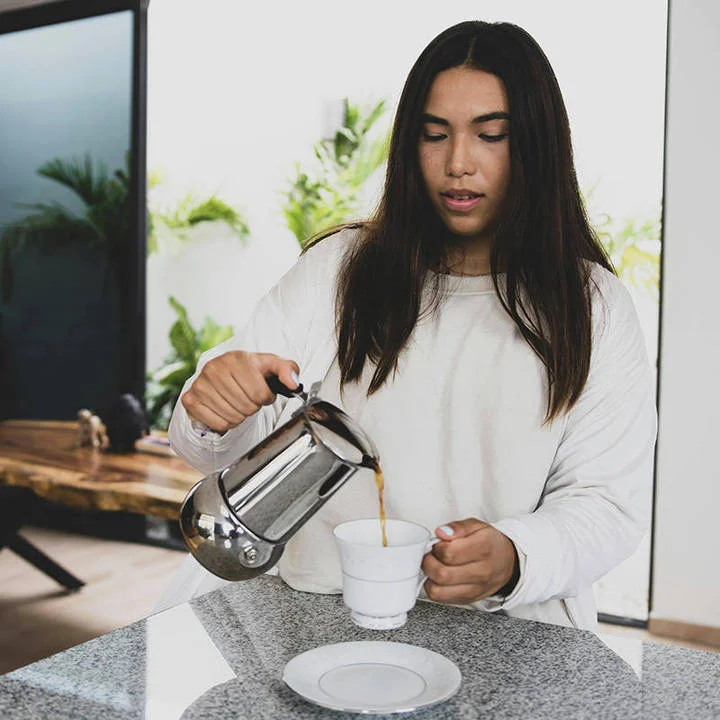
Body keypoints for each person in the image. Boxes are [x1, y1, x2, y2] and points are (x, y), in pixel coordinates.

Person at [159, 20, 657, 631]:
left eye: (491, 135)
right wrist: (214, 409)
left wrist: (515, 556)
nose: (457, 163)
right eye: (434, 134)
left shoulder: (592, 306)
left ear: (536, 145)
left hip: (514, 632)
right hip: (321, 619)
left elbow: (608, 506)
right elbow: (214, 452)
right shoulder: (338, 270)